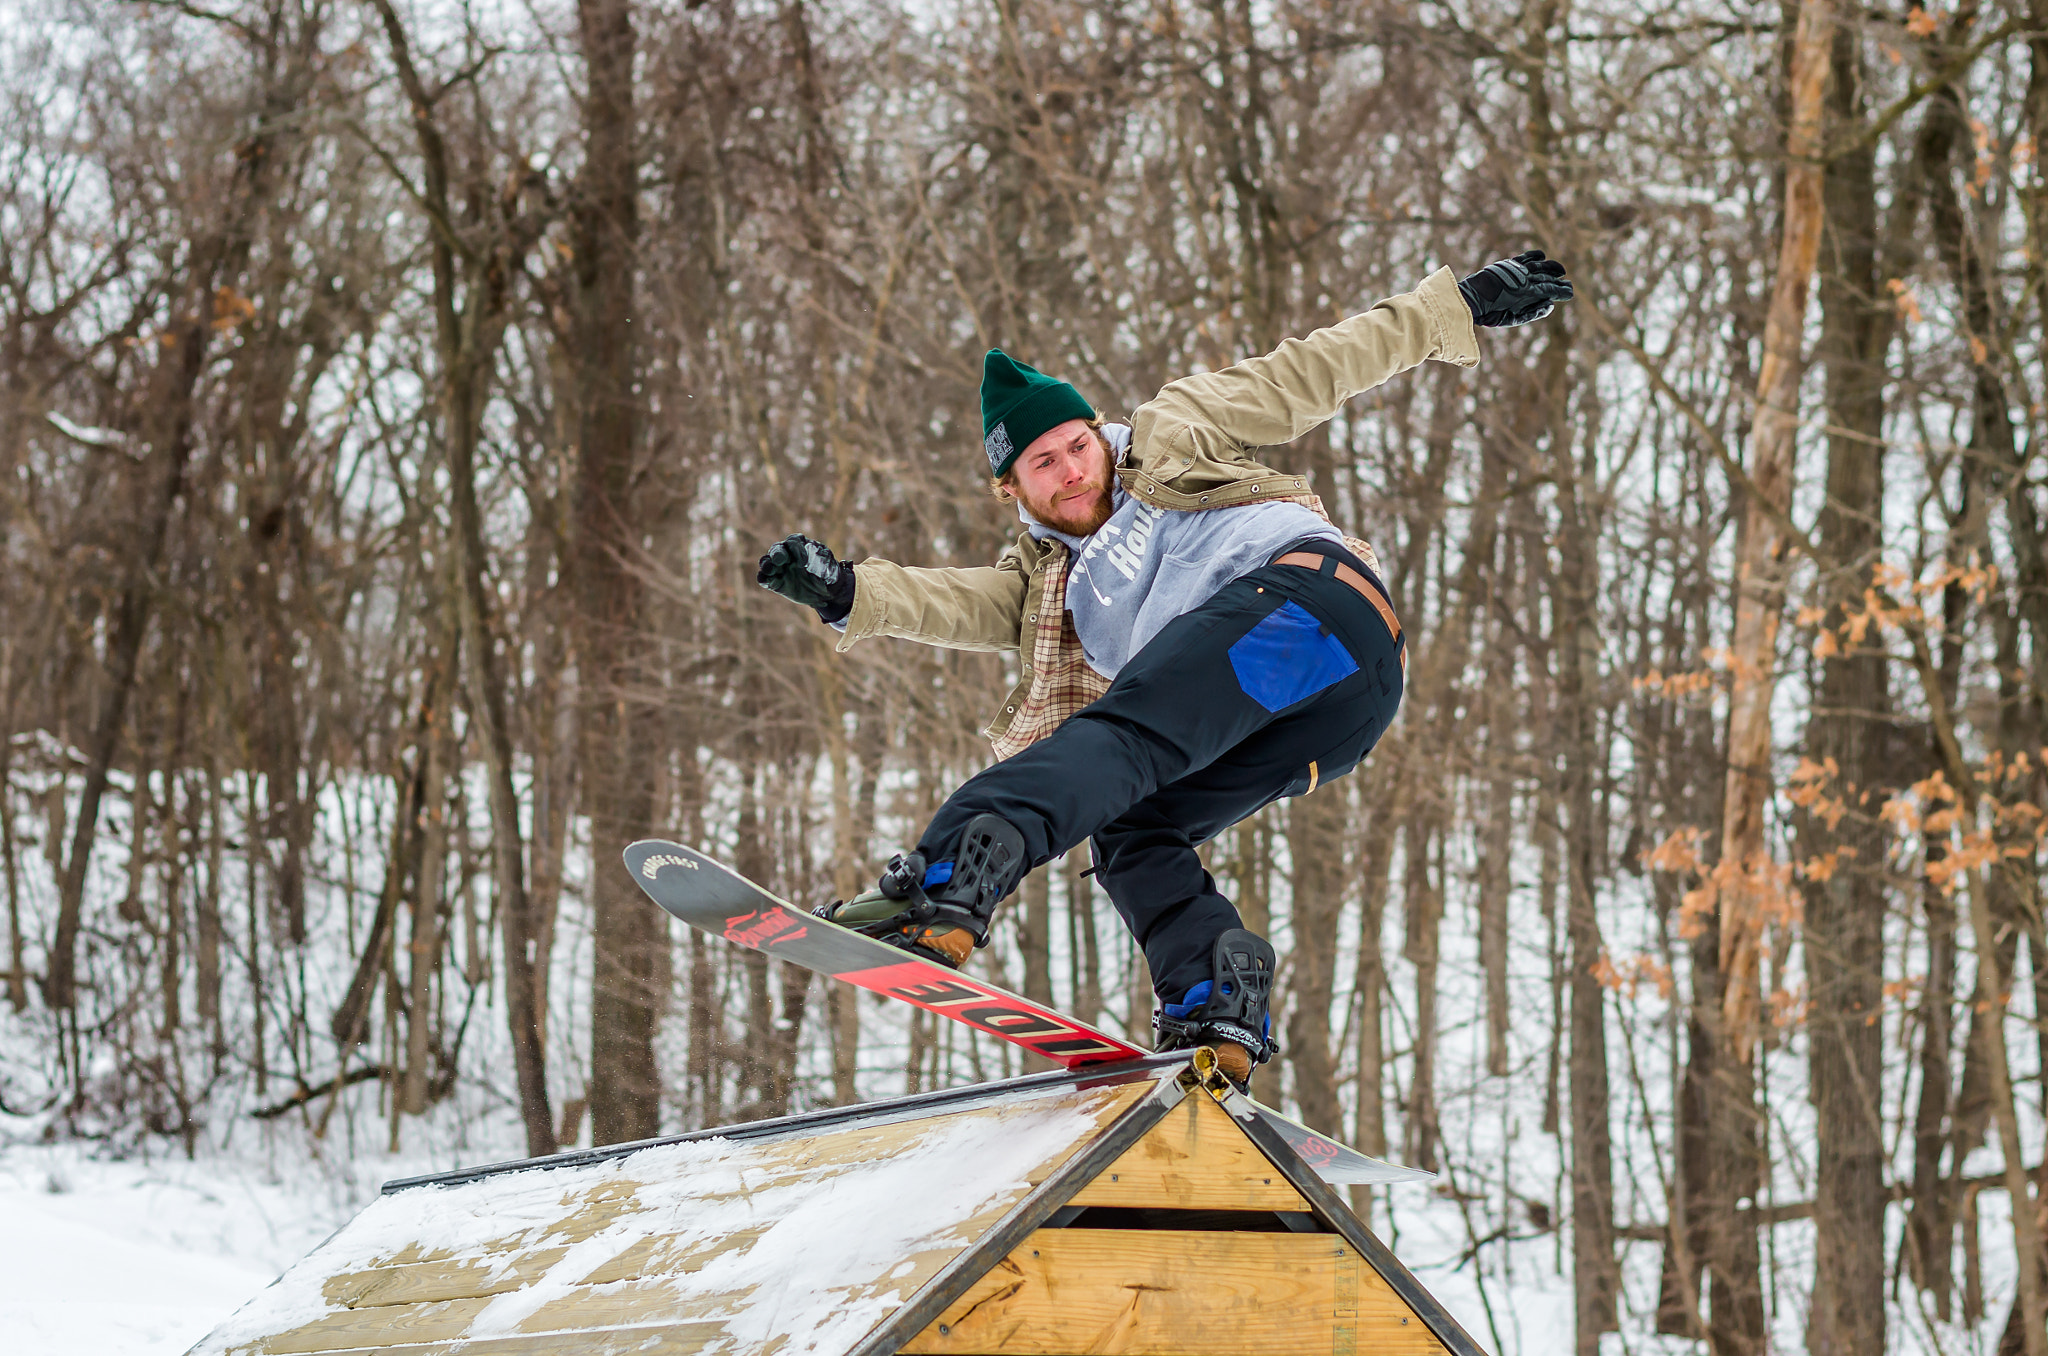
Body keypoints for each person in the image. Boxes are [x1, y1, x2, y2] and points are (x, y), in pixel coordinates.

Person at [756, 251, 1572, 1084]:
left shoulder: (1171, 431)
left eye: (1077, 445)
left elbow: (1312, 371)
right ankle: (1215, 1001)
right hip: (1339, 710)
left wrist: (1455, 308)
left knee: (1126, 737)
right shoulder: (1050, 584)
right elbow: (960, 603)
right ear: (1011, 490)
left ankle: (942, 884)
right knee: (1133, 826)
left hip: (1307, 606)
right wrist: (848, 589)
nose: (1074, 470)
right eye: (1044, 464)